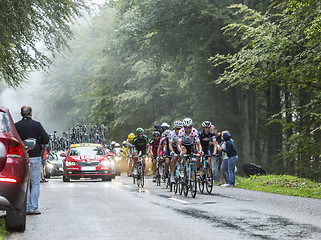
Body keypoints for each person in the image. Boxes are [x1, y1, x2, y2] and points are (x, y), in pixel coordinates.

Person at [15, 106, 49, 215]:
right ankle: (34, 207)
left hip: (22, 158)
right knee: (35, 183)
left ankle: (26, 207)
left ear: (21, 114)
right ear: (31, 113)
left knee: (25, 183)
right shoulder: (37, 125)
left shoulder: (16, 126)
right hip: (35, 157)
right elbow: (46, 139)